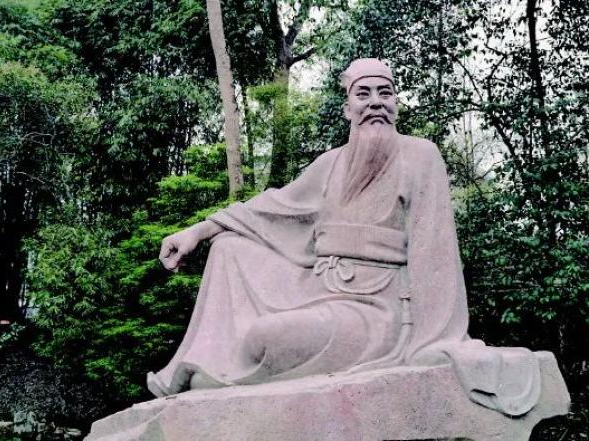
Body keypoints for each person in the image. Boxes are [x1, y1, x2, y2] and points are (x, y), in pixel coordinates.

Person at [148, 58, 540, 416]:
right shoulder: (330, 163)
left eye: (385, 93)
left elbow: (434, 253)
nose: (375, 103)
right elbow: (271, 208)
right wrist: (198, 231)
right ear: (347, 108)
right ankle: (213, 362)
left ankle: (228, 371)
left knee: (264, 336)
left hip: (377, 309)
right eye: (363, 94)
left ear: (396, 104)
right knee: (229, 247)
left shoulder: (421, 156)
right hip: (317, 286)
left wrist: (433, 339)